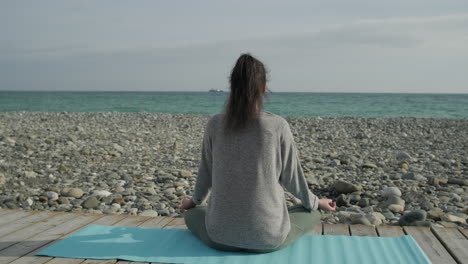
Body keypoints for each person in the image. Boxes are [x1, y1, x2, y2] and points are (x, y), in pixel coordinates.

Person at [178, 53, 336, 253]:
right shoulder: (277, 125)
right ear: (263, 88)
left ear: (233, 88)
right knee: (312, 212)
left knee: (193, 214)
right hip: (267, 240)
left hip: (219, 237)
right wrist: (316, 202)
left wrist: (193, 202)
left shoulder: (215, 124)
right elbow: (292, 179)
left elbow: (205, 173)